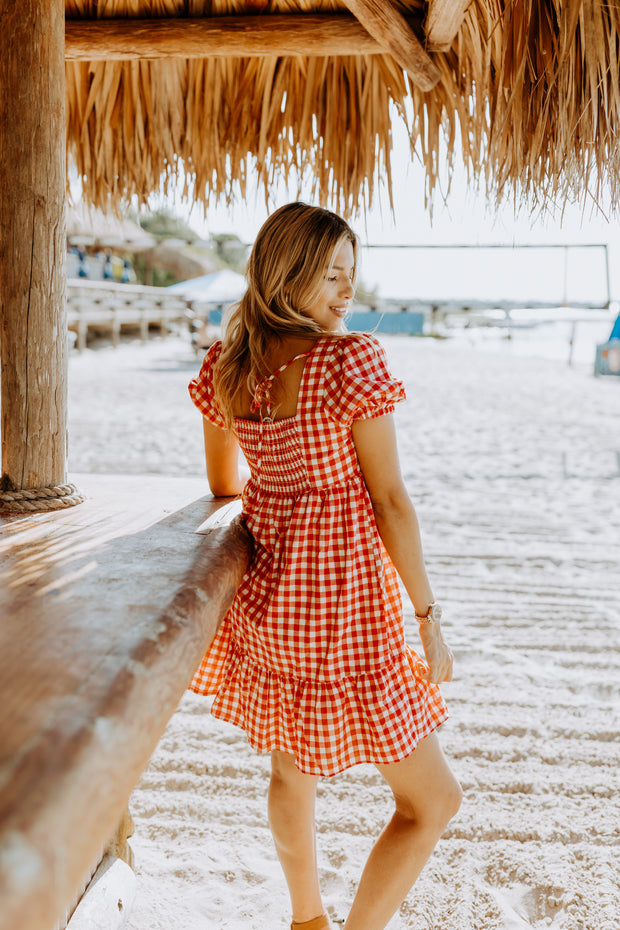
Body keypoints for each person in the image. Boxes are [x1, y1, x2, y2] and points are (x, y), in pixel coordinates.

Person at [188, 202, 461, 930]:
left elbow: (223, 484)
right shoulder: (348, 361)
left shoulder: (228, 363)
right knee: (434, 803)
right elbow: (393, 501)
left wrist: (283, 486)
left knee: (290, 773)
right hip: (346, 612)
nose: (347, 291)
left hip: (272, 608)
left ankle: (306, 919)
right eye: (331, 274)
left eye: (351, 274)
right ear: (288, 272)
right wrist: (428, 618)